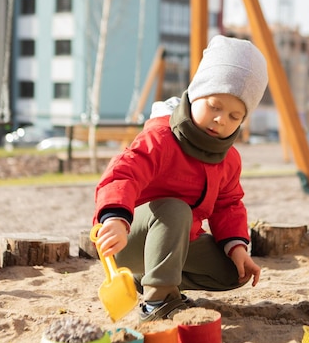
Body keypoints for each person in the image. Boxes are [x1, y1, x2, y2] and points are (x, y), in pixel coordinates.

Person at [93, 35, 268, 321]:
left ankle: (149, 278)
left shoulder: (228, 159)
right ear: (196, 93)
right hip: (129, 237)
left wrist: (237, 247)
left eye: (235, 116)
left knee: (233, 273)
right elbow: (122, 173)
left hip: (175, 243)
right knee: (175, 207)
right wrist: (115, 219)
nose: (221, 119)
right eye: (214, 106)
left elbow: (229, 204)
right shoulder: (161, 138)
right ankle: (157, 301)